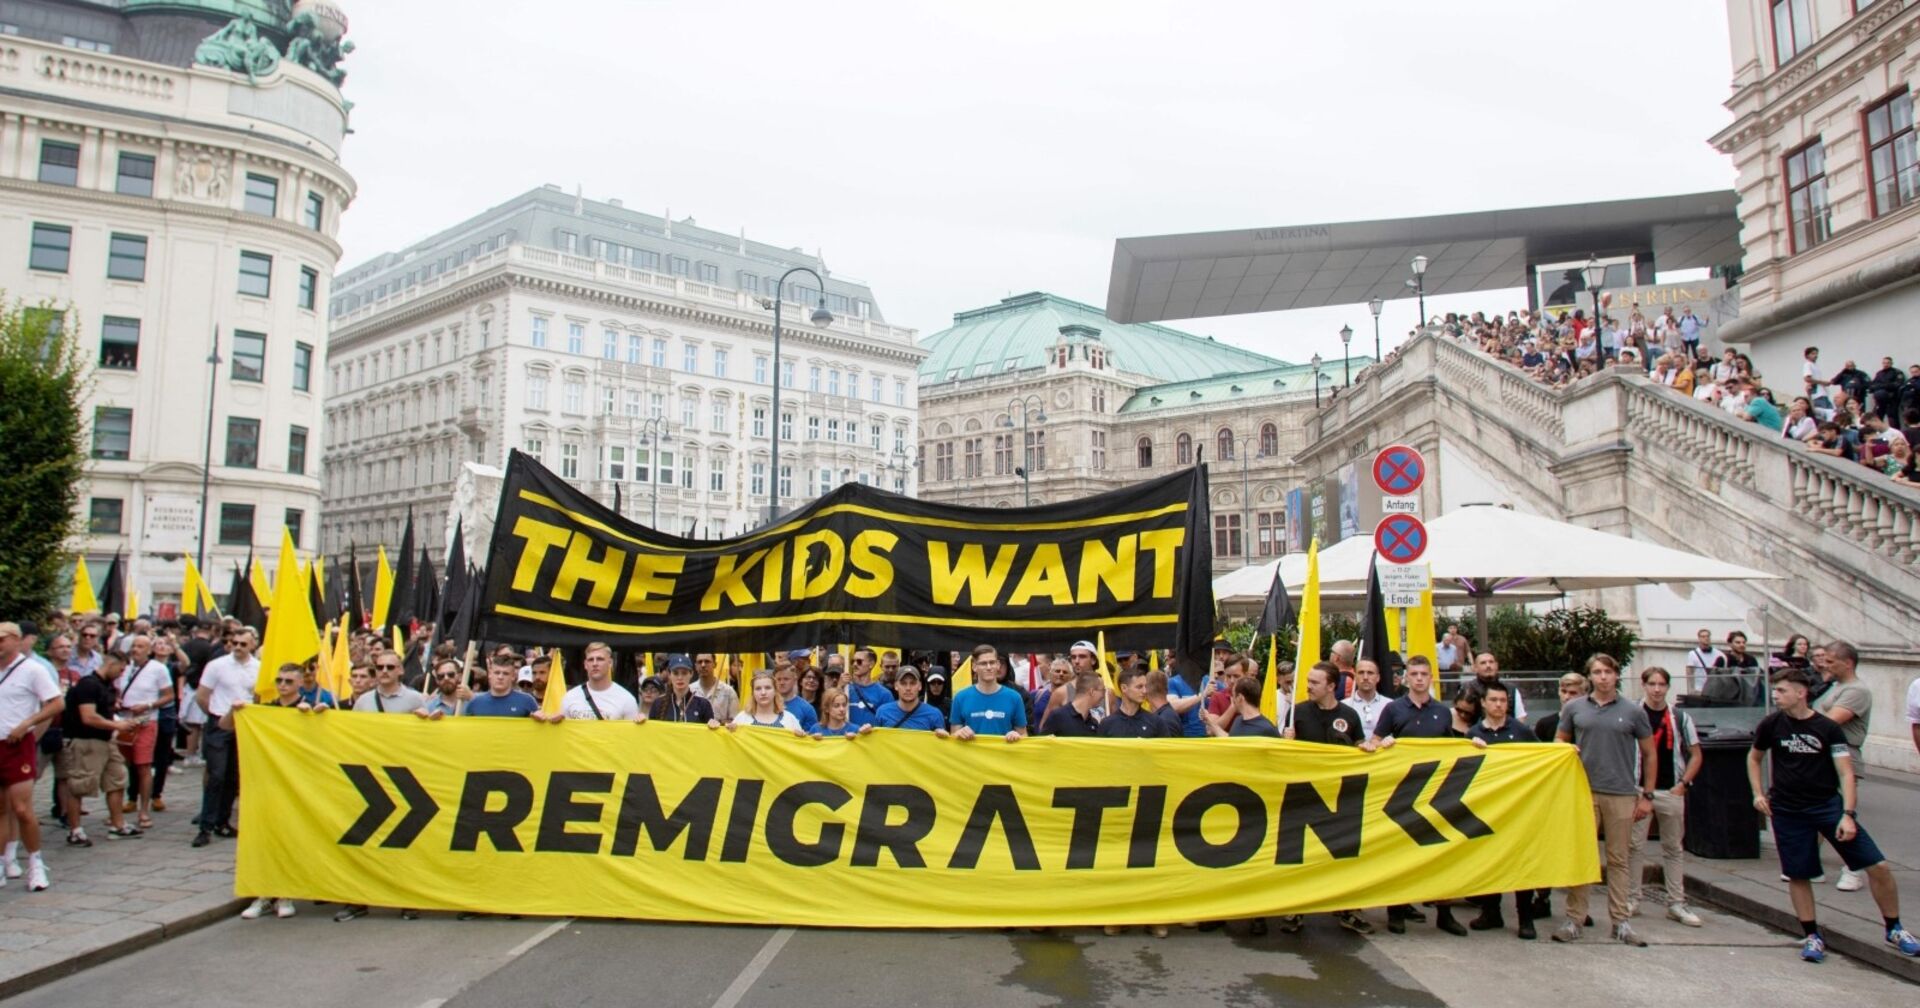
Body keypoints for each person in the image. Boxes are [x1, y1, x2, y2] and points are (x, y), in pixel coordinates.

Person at [1748, 668, 1920, 963]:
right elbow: (1754, 756)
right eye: (1775, 690)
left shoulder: (1827, 728)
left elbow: (1845, 771)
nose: (1776, 695)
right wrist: (1758, 793)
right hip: (1788, 810)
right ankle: (1812, 934)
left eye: (1782, 690)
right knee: (1798, 873)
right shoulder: (1771, 725)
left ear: (1801, 693)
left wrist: (1848, 814)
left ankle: (1895, 928)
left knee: (1878, 866)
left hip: (1827, 806)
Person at [1554, 654, 1657, 947]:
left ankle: (1620, 920)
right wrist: (1565, 747)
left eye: (1607, 672)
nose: (1602, 677)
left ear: (1616, 676)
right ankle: (1574, 919)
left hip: (1621, 792)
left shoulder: (1633, 712)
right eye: (1597, 672)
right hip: (1583, 791)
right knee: (1582, 857)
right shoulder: (1574, 708)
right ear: (1590, 677)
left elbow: (1649, 753)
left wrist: (1647, 795)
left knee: (1618, 858)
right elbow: (1559, 741)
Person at [235, 663, 321, 919]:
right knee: (264, 838)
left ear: (299, 684)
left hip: (296, 785)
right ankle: (263, 895)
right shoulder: (265, 710)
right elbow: (226, 724)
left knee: (290, 837)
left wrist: (314, 718)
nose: (283, 685)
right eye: (279, 680)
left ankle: (285, 894)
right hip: (265, 783)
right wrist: (237, 711)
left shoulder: (307, 709)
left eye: (288, 681)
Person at [1097, 665, 1172, 939]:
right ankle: (1117, 915)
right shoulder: (1107, 725)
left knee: (1148, 863)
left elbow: (1167, 759)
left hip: (1149, 800)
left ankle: (1153, 916)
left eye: (1146, 686)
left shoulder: (1156, 723)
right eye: (1139, 687)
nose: (1144, 691)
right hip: (1116, 802)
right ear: (1124, 689)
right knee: (1116, 863)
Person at [1629, 668, 1704, 927]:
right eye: (1652, 684)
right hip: (1638, 789)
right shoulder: (1633, 713)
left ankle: (1676, 901)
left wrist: (1683, 784)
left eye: (1662, 684)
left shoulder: (1680, 717)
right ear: (1644, 685)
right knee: (1634, 846)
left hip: (1670, 788)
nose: (1657, 689)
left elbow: (1696, 753)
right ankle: (1632, 897)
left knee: (1673, 848)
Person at [1467, 680, 1538, 939]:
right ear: (1483, 703)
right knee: (1490, 860)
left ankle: (1525, 918)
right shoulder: (1473, 734)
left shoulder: (1521, 731)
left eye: (1503, 701)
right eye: (1494, 700)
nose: (1499, 705)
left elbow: (1543, 756)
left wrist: (1564, 752)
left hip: (1517, 808)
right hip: (1487, 808)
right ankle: (1491, 912)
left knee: (1520, 863)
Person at [0, 622, 62, 891]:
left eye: (2, 639)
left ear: (16, 640)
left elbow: (57, 703)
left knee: (22, 808)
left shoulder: (33, 670)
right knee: (0, 809)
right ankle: (2, 862)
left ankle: (36, 864)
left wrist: (27, 724)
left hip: (18, 744)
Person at [1812, 641, 1873, 893]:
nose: (1825, 664)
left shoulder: (1857, 690)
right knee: (1817, 808)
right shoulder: (1836, 686)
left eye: (1831, 660)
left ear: (1847, 662)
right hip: (1824, 755)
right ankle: (1809, 862)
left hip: (1844, 754)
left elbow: (1829, 721)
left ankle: (1854, 867)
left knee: (1842, 812)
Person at [60, 650, 138, 844]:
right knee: (79, 784)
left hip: (107, 740)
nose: (121, 673)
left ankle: (117, 824)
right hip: (86, 740)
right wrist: (117, 725)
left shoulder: (106, 686)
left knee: (117, 779)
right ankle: (75, 830)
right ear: (111, 664)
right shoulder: (88, 685)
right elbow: (88, 717)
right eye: (120, 669)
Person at [192, 626, 256, 848]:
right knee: (216, 774)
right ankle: (205, 825)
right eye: (234, 642)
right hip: (220, 722)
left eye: (243, 644)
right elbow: (202, 696)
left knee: (233, 775)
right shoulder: (217, 665)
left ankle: (222, 820)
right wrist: (214, 716)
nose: (237, 647)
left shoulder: (259, 667)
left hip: (245, 726)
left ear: (252, 645)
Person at [114, 634, 173, 830]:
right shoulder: (125, 667)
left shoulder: (158, 668)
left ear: (149, 650)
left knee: (143, 765)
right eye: (134, 646)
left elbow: (169, 696)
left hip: (146, 721)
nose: (136, 649)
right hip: (123, 720)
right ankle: (117, 810)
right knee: (120, 766)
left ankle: (144, 810)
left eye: (140, 646)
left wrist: (148, 705)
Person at [538, 643, 641, 723]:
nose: (595, 664)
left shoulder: (626, 699)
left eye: (600, 659)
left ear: (610, 663)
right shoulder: (570, 697)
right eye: (591, 660)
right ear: (585, 664)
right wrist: (544, 720)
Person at [945, 645, 1026, 742]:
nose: (989, 667)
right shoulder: (960, 698)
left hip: (1003, 756)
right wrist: (960, 733)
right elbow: (953, 736)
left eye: (992, 662)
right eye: (983, 663)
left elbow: (1024, 736)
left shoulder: (1015, 698)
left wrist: (1017, 736)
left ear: (998, 665)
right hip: (971, 757)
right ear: (974, 666)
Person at [729, 670, 806, 735]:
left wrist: (803, 737)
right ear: (753, 693)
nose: (763, 692)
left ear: (775, 691)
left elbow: (800, 747)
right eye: (758, 688)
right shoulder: (742, 718)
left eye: (768, 688)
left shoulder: (789, 719)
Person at [465, 654, 541, 718]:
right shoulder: (475, 703)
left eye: (505, 673)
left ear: (513, 676)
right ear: (490, 674)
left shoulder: (527, 701)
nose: (500, 677)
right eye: (497, 673)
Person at [353, 650, 428, 715]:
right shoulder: (363, 701)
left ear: (401, 670)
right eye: (380, 667)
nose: (384, 671)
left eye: (390, 667)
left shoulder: (416, 698)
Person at [871, 667, 946, 732]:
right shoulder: (883, 712)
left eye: (913, 683)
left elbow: (940, 747)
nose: (908, 688)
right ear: (896, 686)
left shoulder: (934, 715)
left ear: (920, 686)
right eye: (903, 683)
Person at [651, 655, 719, 725]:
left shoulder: (703, 705)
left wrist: (713, 725)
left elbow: (709, 734)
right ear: (669, 674)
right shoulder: (658, 704)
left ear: (691, 674)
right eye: (675, 673)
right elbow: (650, 731)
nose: (680, 677)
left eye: (684, 673)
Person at [1040, 671, 1105, 737]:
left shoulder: (1093, 723)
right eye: (1103, 690)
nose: (1103, 695)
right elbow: (1042, 744)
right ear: (1092, 692)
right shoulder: (1058, 717)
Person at [1346, 658, 1392, 740]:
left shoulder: (1390, 705)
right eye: (1361, 673)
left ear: (1378, 677)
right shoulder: (1345, 705)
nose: (1365, 677)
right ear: (1355, 676)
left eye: (1370, 673)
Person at [1682, 628, 1726, 696]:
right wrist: (1690, 691)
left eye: (1708, 636)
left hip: (1715, 690)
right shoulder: (1693, 654)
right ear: (1699, 638)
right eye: (1703, 636)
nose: (1706, 638)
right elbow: (1689, 673)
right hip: (1699, 690)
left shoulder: (1719, 654)